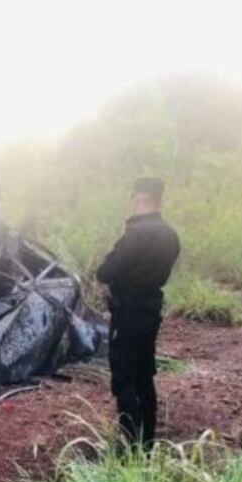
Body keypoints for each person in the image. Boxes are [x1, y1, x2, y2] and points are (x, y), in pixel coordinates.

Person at [97, 177, 180, 449]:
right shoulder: (170, 236)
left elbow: (106, 271)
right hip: (151, 310)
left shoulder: (135, 235)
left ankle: (130, 445)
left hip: (128, 312)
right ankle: (147, 442)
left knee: (124, 378)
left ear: (138, 198)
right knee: (145, 375)